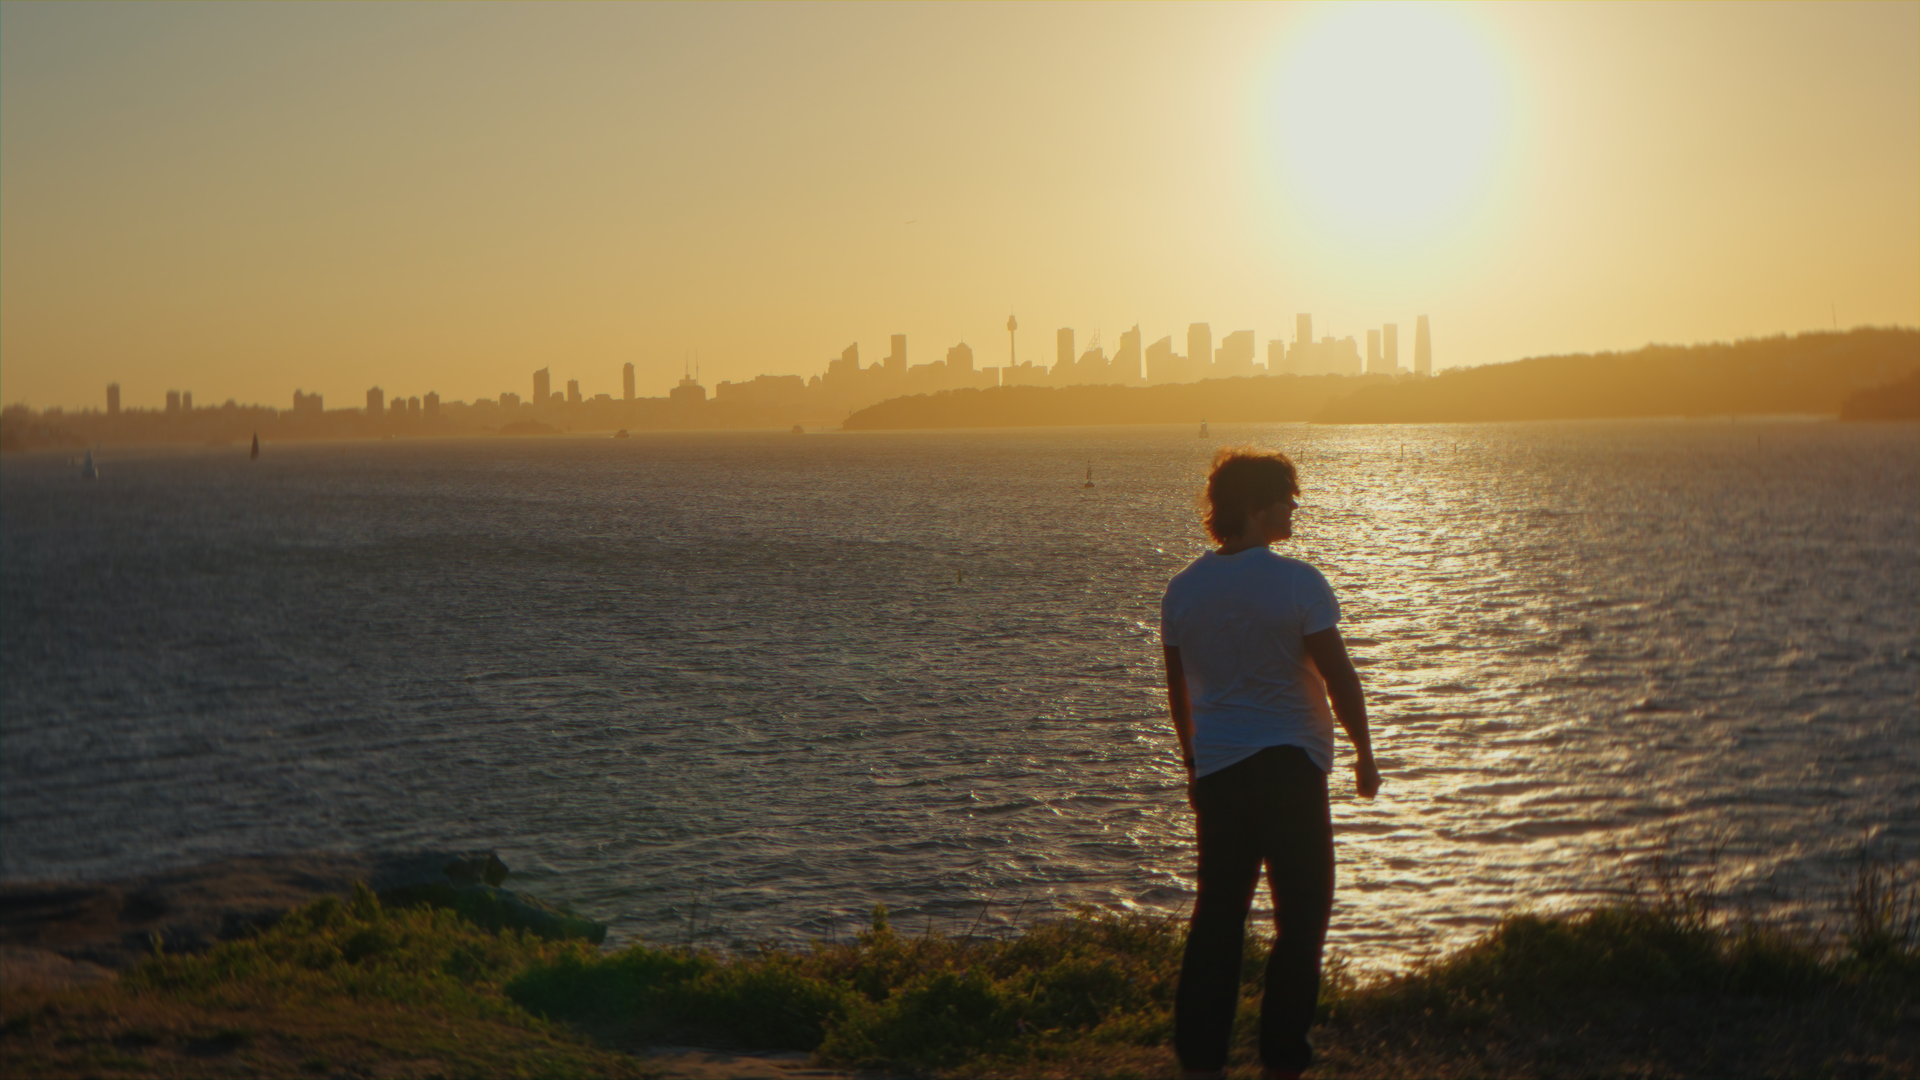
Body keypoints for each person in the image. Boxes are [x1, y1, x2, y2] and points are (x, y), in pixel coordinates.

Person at [1160, 447, 1381, 1080]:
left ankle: (1201, 1059)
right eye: (1286, 497)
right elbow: (1340, 677)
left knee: (1217, 917)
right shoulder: (1296, 582)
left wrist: (1193, 764)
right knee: (1303, 915)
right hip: (1290, 768)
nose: (1294, 507)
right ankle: (1282, 1057)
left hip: (1222, 772)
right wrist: (1365, 753)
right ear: (1257, 507)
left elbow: (1179, 690)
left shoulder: (1183, 589)